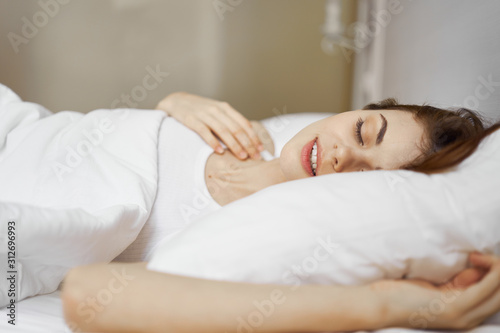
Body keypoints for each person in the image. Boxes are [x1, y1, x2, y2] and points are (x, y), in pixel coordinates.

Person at [60, 92, 500, 332]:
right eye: (363, 131)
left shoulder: (240, 240)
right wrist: (173, 102)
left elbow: (92, 294)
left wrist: (387, 304)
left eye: (365, 176)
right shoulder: (254, 132)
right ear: (359, 110)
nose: (342, 155)